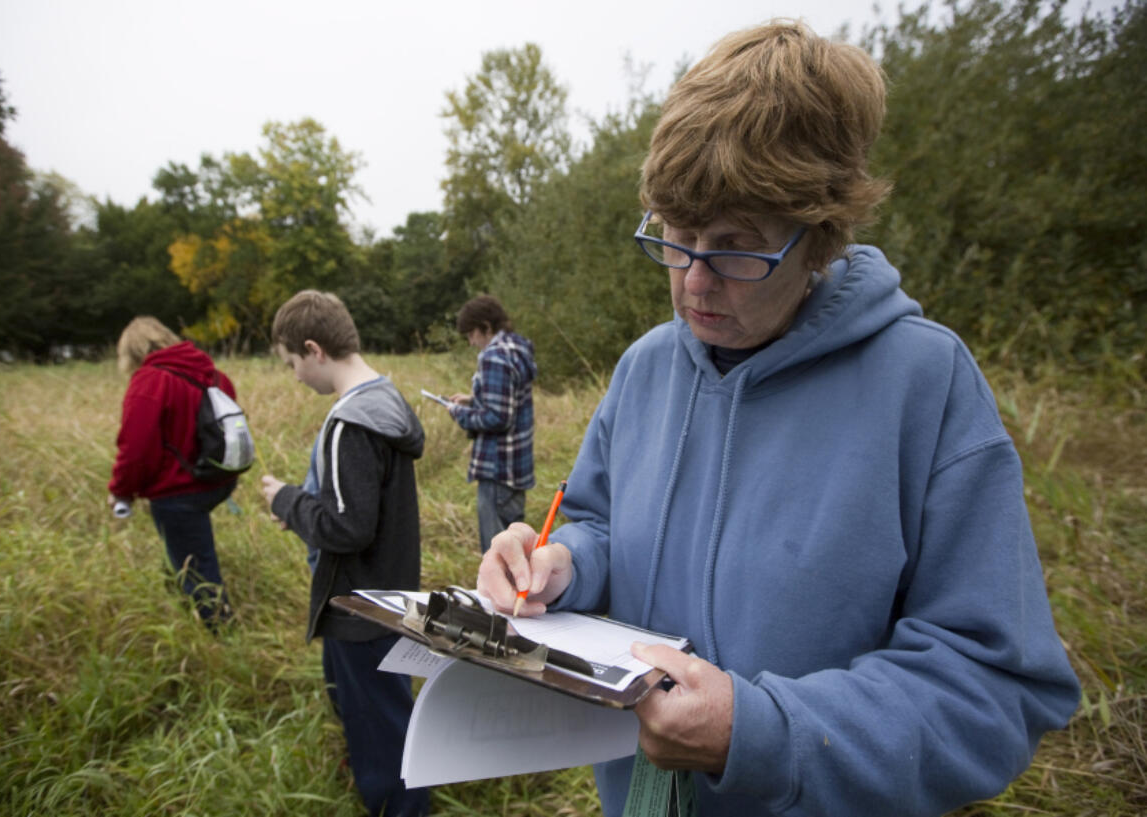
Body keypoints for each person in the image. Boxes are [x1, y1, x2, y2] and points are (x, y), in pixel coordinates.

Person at [476, 20, 1080, 817]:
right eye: (675, 237)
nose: (694, 281)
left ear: (819, 239)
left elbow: (995, 689)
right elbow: (601, 522)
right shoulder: (645, 369)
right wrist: (561, 563)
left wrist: (760, 733)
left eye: (734, 247)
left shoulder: (924, 386)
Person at [261, 290, 429, 817]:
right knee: (380, 714)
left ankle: (401, 808)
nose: (294, 377)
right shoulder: (386, 400)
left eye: (292, 364)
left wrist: (286, 501)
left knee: (381, 729)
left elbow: (346, 527)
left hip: (358, 608)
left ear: (313, 349)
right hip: (388, 597)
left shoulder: (348, 424)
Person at [109, 316, 237, 627]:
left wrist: (121, 489)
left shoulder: (150, 381)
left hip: (179, 491)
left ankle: (223, 633)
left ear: (130, 351)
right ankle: (185, 607)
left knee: (197, 569)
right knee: (188, 553)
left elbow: (136, 448)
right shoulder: (215, 374)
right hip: (218, 480)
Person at [446, 295, 537, 552]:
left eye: (472, 335)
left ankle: (498, 595)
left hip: (497, 471)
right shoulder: (517, 348)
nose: (471, 342)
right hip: (516, 469)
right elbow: (510, 400)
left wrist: (457, 412)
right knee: (515, 549)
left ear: (486, 327)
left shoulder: (493, 356)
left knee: (496, 555)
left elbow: (498, 418)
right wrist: (473, 399)